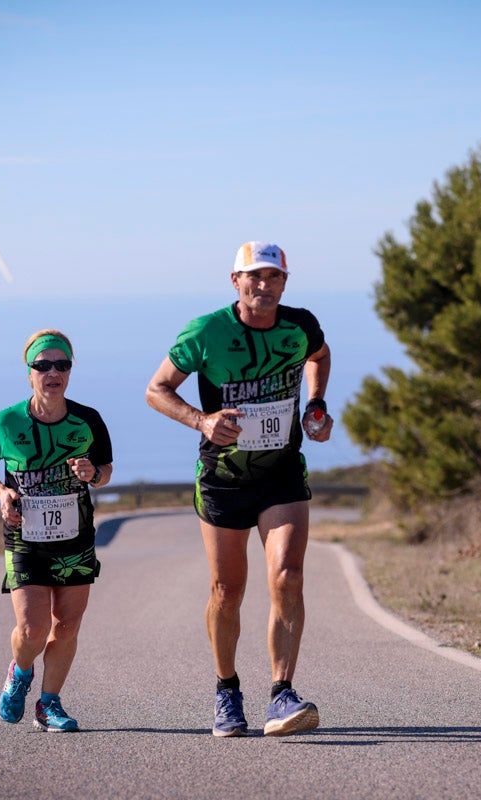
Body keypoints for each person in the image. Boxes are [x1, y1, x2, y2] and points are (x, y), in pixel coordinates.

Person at [145, 241, 333, 738]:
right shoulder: (206, 331)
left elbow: (319, 355)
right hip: (223, 478)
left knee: (288, 576)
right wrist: (202, 421)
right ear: (236, 281)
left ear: (285, 283)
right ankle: (226, 690)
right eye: (255, 276)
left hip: (281, 474)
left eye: (274, 277)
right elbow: (156, 390)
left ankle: (282, 694)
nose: (264, 285)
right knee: (227, 591)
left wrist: (315, 404)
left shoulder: (300, 326)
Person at [0, 329, 114, 733]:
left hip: (75, 539)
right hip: (25, 538)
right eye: (43, 365)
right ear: (29, 373)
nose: (53, 373)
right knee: (33, 630)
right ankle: (20, 671)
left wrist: (92, 473)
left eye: (61, 365)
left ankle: (49, 704)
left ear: (69, 371)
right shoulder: (7, 421)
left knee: (66, 626)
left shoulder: (88, 420)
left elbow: (105, 471)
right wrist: (0, 491)